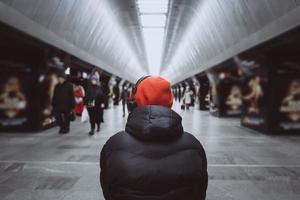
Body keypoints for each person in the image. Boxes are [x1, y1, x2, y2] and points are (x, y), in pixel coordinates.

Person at [100, 76, 208, 200]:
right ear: (170, 101)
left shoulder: (114, 145)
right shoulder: (194, 146)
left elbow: (108, 190)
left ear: (136, 100)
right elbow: (200, 192)